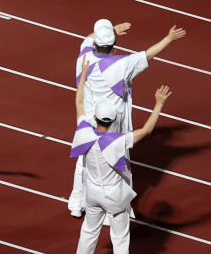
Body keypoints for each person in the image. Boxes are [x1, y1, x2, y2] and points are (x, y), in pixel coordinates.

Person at [67, 18, 185, 217]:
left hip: (87, 119)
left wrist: (111, 31)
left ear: (95, 44)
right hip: (111, 122)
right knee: (116, 165)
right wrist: (169, 38)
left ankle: (76, 202)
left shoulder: (84, 57)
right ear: (114, 48)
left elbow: (88, 38)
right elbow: (149, 55)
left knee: (84, 161)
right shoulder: (121, 65)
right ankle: (111, 212)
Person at [72, 63, 170, 253]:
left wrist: (84, 74)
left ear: (95, 116)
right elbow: (147, 130)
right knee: (120, 238)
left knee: (88, 231)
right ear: (115, 119)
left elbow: (79, 102)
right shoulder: (118, 140)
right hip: (114, 195)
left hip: (91, 191)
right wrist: (158, 104)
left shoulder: (84, 131)